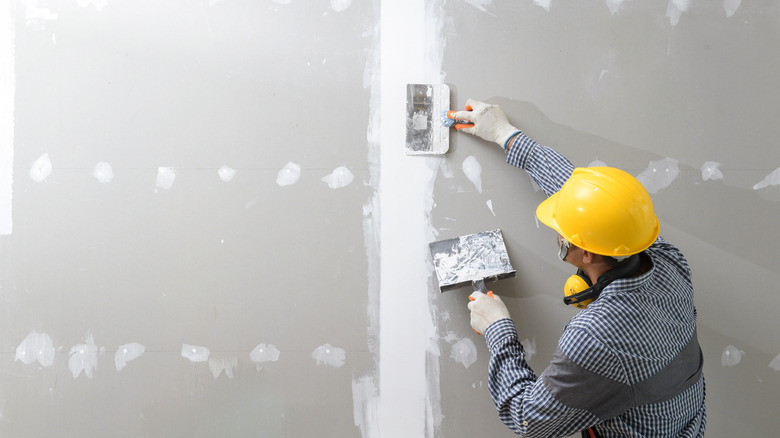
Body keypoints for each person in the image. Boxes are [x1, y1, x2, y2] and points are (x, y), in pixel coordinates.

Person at [450, 99, 706, 438]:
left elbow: (528, 418)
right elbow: (588, 198)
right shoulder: (667, 260)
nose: (557, 230)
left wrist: (498, 328)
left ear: (584, 253)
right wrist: (506, 134)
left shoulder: (596, 336)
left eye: (562, 228)